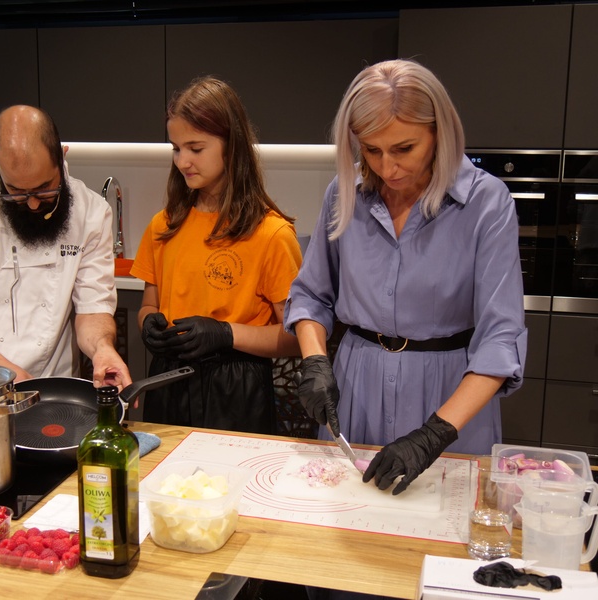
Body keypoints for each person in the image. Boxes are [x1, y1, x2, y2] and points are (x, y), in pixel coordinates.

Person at [285, 59, 527, 496]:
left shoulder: (486, 203)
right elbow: (310, 295)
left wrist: (435, 433)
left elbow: (500, 337)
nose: (387, 167)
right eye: (371, 150)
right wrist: (315, 361)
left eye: (403, 148)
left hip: (448, 394)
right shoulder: (343, 194)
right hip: (357, 387)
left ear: (439, 132)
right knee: (345, 518)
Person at [0, 105, 131, 389]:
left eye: (44, 188)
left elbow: (93, 309)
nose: (33, 204)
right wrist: (4, 372)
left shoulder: (91, 213)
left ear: (62, 155)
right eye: (15, 191)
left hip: (44, 383)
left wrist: (102, 348)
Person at [130, 76, 302, 434]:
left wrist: (225, 334)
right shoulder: (163, 225)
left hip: (236, 389)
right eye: (176, 148)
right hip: (167, 382)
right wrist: (148, 323)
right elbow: (150, 303)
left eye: (196, 148)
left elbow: (295, 338)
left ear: (232, 145)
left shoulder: (271, 234)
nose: (183, 161)